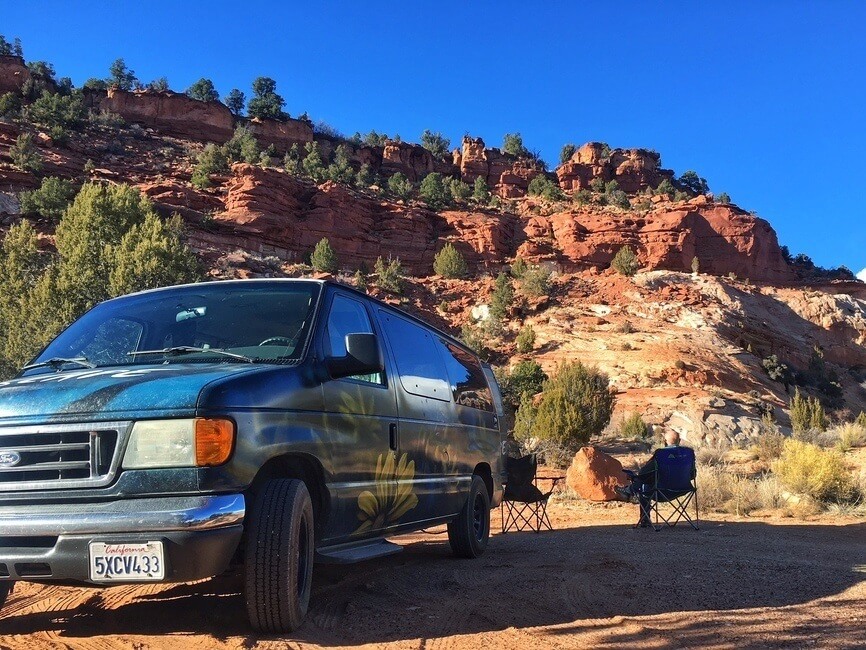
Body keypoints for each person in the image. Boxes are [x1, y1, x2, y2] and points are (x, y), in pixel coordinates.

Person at [616, 430, 684, 527]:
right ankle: (630, 490)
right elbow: (692, 475)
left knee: (644, 486)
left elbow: (645, 471)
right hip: (682, 489)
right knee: (647, 479)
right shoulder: (687, 454)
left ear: (664, 441)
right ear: (680, 440)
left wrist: (635, 478)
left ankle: (644, 519)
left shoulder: (661, 454)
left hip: (662, 491)